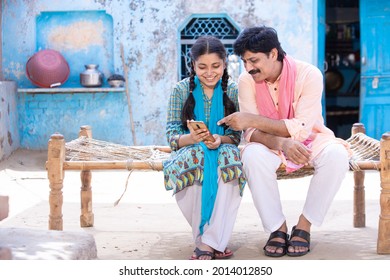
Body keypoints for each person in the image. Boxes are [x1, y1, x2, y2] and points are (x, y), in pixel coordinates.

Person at [218, 26, 351, 257]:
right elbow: (250, 133)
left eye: (254, 60)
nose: (248, 68)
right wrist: (281, 143)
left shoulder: (309, 75)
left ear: (272, 53)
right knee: (251, 155)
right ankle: (277, 227)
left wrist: (251, 118)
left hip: (311, 139)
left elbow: (300, 129)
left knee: (337, 156)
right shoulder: (246, 80)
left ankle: (304, 225)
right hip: (269, 144)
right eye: (244, 61)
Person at [163, 35, 246, 260]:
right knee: (197, 157)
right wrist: (192, 138)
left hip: (223, 147)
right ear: (193, 66)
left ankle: (210, 241)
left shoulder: (234, 90)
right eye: (202, 67)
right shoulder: (181, 90)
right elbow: (171, 137)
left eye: (216, 66)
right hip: (190, 149)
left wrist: (220, 140)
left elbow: (236, 136)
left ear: (225, 63)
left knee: (229, 160)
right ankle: (209, 239)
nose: (209, 72)